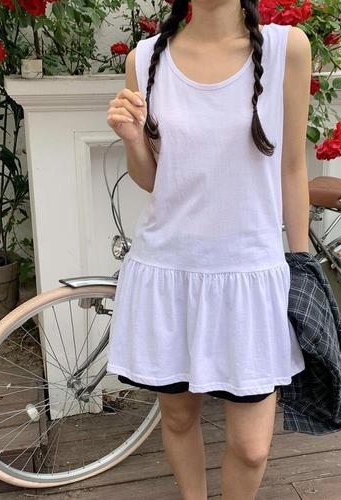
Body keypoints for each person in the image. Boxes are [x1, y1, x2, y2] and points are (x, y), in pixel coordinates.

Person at [106, 0, 312, 497]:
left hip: (250, 275)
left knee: (252, 446)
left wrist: (301, 263)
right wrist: (132, 139)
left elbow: (291, 167)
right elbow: (153, 178)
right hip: (169, 270)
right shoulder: (144, 58)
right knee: (179, 418)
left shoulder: (287, 48)